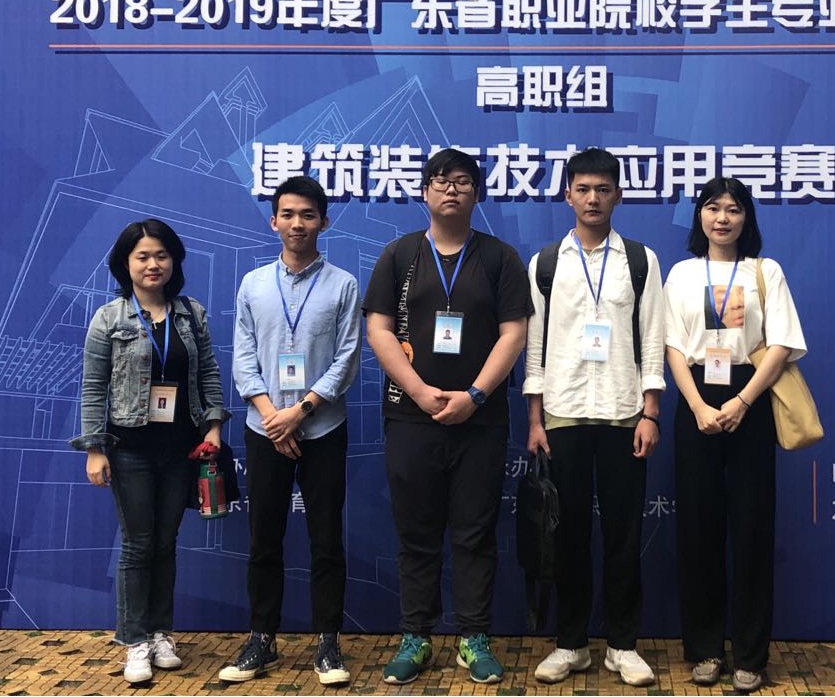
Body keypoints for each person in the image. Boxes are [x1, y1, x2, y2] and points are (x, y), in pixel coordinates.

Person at [362, 148, 532, 685]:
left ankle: (473, 636)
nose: (451, 189)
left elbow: (514, 333)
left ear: (477, 193)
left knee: (475, 533)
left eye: (461, 181)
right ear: (424, 192)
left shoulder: (500, 257)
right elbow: (378, 329)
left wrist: (475, 395)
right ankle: (416, 636)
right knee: (416, 532)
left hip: (480, 421)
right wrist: (418, 392)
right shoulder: (399, 254)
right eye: (439, 180)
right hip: (411, 418)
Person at [523, 148, 666, 687]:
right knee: (568, 535)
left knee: (624, 535)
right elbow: (534, 346)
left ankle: (623, 645)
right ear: (567, 195)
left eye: (602, 190)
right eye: (582, 189)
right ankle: (571, 644)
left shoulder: (641, 260)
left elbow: (652, 338)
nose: (592, 199)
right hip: (563, 414)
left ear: (618, 196)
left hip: (625, 413)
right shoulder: (546, 263)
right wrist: (535, 419)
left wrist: (651, 411)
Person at [663, 177, 807, 693]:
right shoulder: (681, 273)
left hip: (751, 395)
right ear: (699, 216)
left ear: (747, 218)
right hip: (696, 399)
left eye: (733, 209)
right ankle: (704, 649)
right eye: (712, 207)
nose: (722, 218)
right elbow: (672, 345)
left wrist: (743, 402)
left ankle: (750, 655)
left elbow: (782, 344)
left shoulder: (765, 271)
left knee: (751, 530)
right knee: (698, 531)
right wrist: (698, 405)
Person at [72, 219, 227, 685]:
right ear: (126, 263)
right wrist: (94, 448)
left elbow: (209, 373)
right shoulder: (109, 318)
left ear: (174, 260)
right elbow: (93, 387)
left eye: (161, 255)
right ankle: (134, 640)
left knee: (165, 543)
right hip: (129, 449)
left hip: (182, 448)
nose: (153, 264)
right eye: (142, 256)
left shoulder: (191, 314)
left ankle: (162, 634)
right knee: (138, 544)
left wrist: (214, 427)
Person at [218, 176, 360, 687]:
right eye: (288, 214)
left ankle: (328, 642)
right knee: (264, 539)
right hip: (264, 429)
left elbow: (347, 358)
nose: (297, 223)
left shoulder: (343, 284)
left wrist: (298, 412)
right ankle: (262, 639)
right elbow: (243, 356)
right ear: (274, 220)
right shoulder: (253, 284)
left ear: (324, 221)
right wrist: (270, 416)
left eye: (308, 215)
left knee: (327, 540)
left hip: (322, 428)